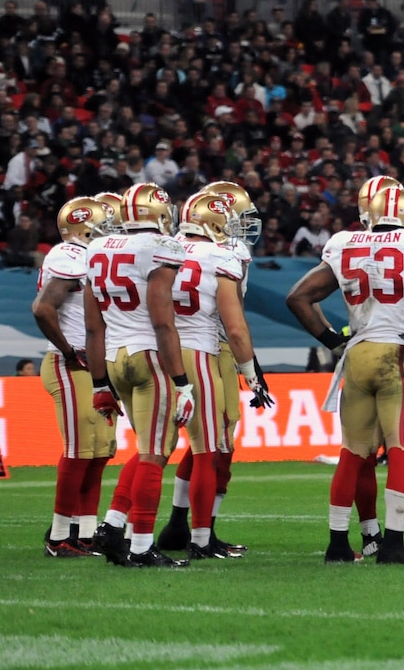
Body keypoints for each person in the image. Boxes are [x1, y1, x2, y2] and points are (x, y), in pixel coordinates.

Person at [286, 181, 404, 564]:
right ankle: (393, 545)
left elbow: (298, 296)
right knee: (400, 450)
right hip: (397, 352)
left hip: (358, 352)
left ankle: (338, 545)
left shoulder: (345, 242)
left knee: (352, 453)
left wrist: (331, 339)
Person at [154, 192, 276, 560]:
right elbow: (233, 324)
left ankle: (129, 528)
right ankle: (199, 534)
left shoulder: (164, 247)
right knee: (214, 446)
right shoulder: (224, 254)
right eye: (235, 218)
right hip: (208, 350)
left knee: (155, 448)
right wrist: (250, 371)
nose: (240, 228)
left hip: (158, 348)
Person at [86, 183, 199, 567]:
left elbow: (92, 328)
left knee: (150, 448)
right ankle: (141, 546)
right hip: (148, 356)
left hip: (115, 359)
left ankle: (114, 528)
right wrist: (183, 383)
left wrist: (99, 382)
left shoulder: (98, 247)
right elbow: (163, 322)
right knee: (154, 454)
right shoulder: (160, 247)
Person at [28, 197, 117, 556]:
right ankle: (59, 536)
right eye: (103, 224)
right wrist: (68, 350)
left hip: (95, 366)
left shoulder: (93, 256)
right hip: (71, 365)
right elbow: (43, 308)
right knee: (80, 450)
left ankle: (84, 532)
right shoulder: (68, 254)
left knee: (99, 453)